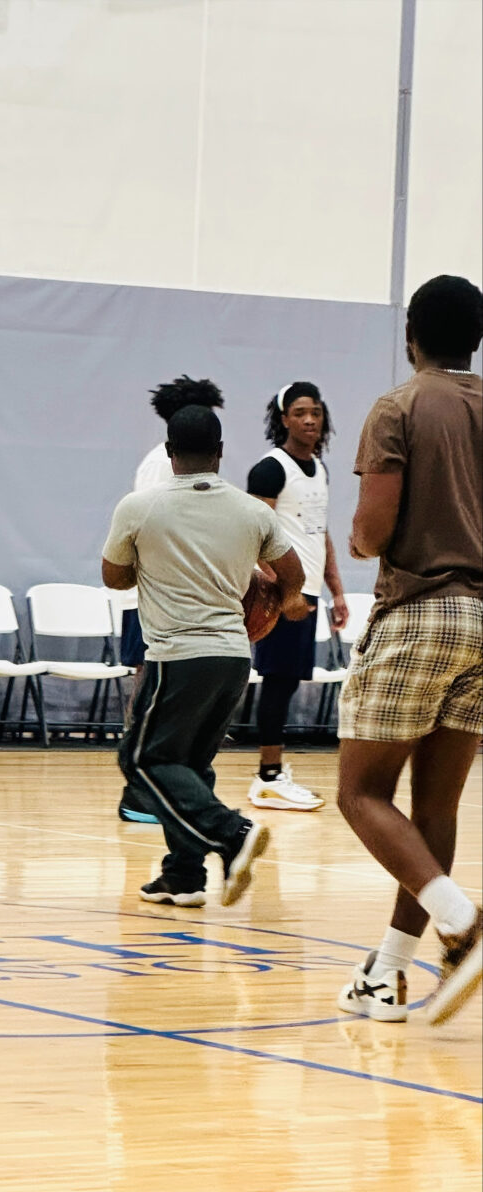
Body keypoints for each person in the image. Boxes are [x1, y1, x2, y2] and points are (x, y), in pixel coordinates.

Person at [336, 274, 482, 1026]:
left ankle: (463, 925)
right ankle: (385, 977)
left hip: (424, 609)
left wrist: (360, 542)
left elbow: (373, 529)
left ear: (410, 334)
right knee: (437, 809)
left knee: (360, 793)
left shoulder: (400, 406)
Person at [103, 404, 308, 907]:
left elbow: (114, 576)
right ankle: (184, 874)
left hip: (177, 656)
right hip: (235, 657)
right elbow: (294, 575)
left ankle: (233, 835)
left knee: (142, 757)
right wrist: (271, 606)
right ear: (220, 452)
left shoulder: (139, 507)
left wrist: (152, 568)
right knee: (190, 763)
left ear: (169, 452)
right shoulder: (252, 511)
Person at [118, 375, 225, 824]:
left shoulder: (183, 467)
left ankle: (156, 790)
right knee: (151, 696)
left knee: (158, 696)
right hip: (156, 599)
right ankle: (141, 793)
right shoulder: (167, 470)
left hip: (164, 598)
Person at [246, 382, 348, 811]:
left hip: (306, 592)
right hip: (279, 593)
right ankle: (268, 777)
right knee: (277, 681)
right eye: (300, 412)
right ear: (284, 418)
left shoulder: (320, 469)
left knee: (286, 682)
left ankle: (273, 774)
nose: (310, 420)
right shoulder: (270, 469)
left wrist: (337, 591)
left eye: (317, 412)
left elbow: (319, 534)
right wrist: (281, 592)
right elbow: (255, 536)